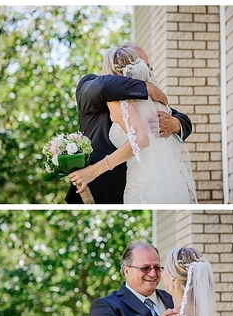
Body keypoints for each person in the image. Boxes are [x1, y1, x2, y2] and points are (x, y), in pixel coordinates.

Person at [66, 44, 193, 204]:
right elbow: (104, 86)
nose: (146, 71)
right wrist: (144, 87)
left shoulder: (151, 101)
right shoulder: (91, 84)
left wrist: (175, 124)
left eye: (148, 66)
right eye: (140, 65)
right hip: (99, 187)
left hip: (150, 185)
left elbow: (184, 121)